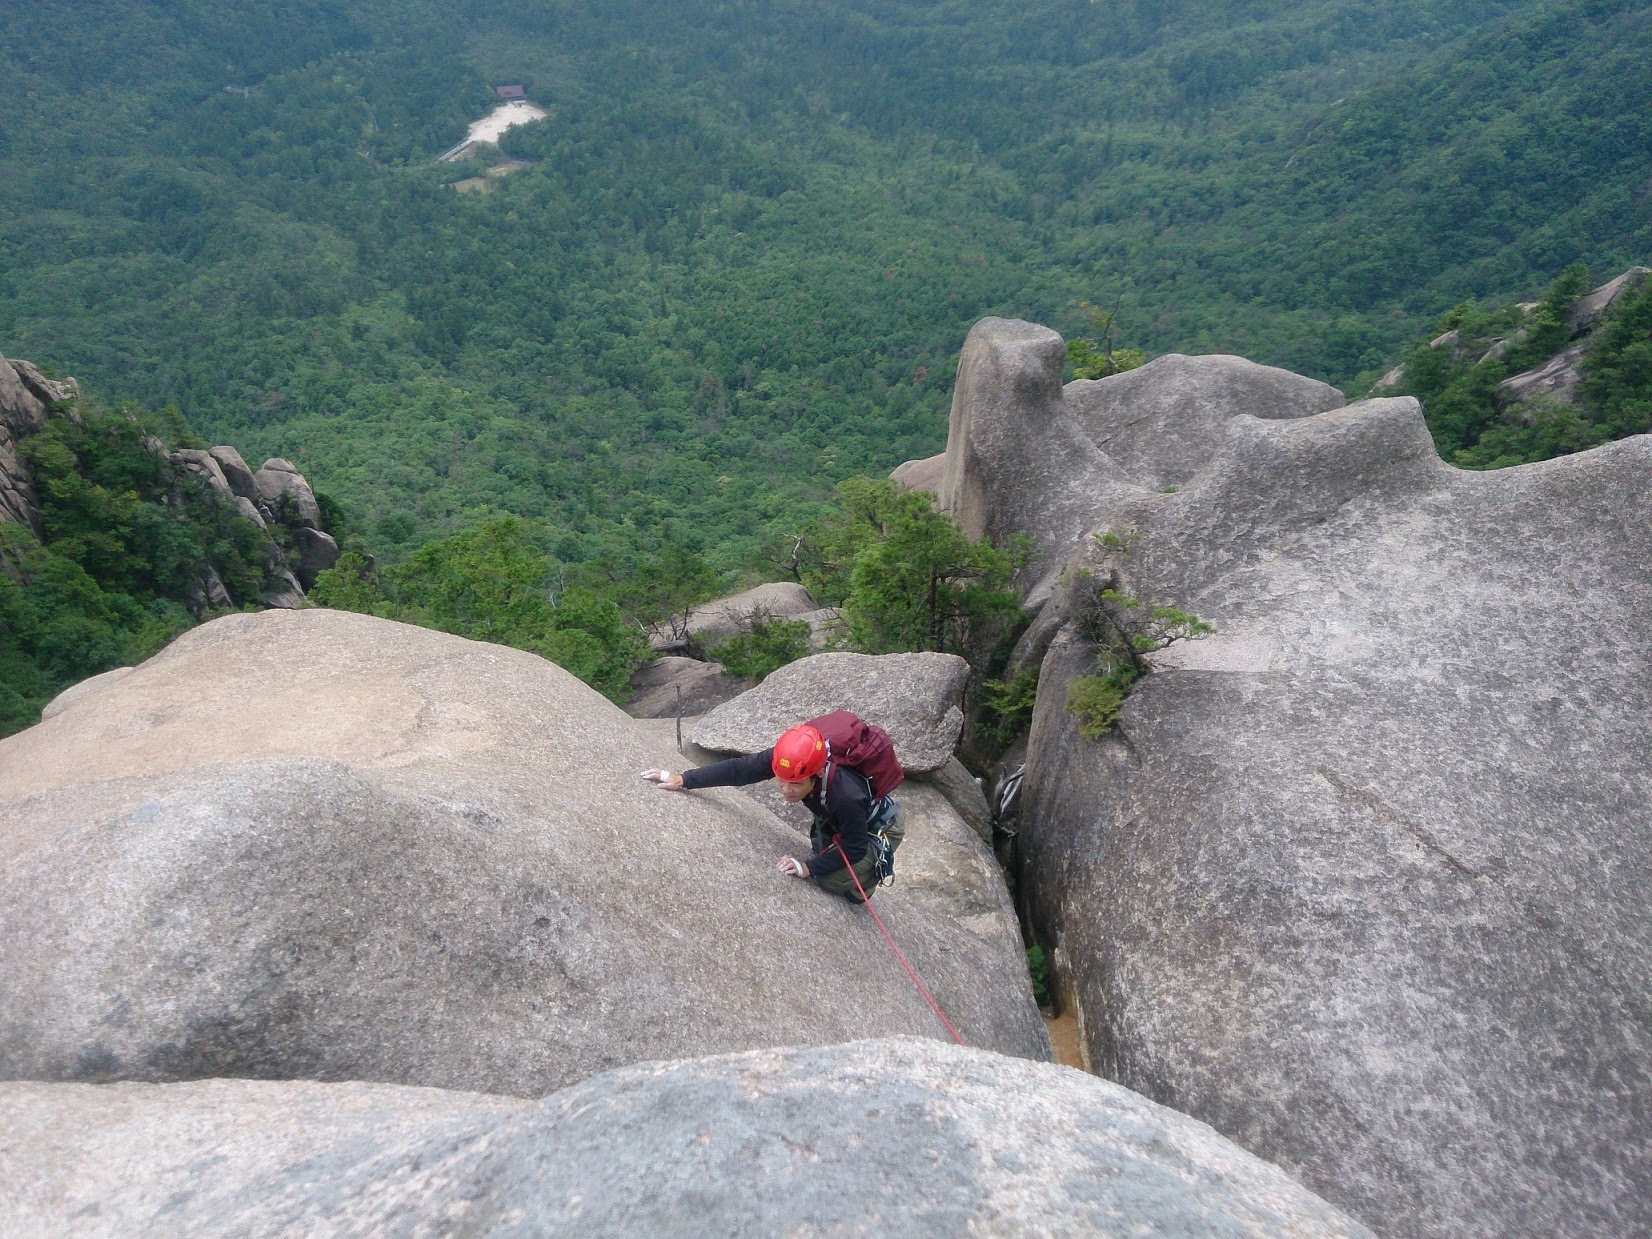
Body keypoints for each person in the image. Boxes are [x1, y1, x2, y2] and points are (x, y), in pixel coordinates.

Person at [641, 720, 904, 902]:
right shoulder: (792, 759)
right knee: (819, 847)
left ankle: (866, 884)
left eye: (796, 784)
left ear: (817, 774)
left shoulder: (845, 795)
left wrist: (807, 868)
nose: (786, 790)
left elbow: (855, 848)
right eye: (781, 780)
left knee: (830, 881)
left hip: (880, 827)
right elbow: (740, 770)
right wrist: (683, 779)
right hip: (841, 814)